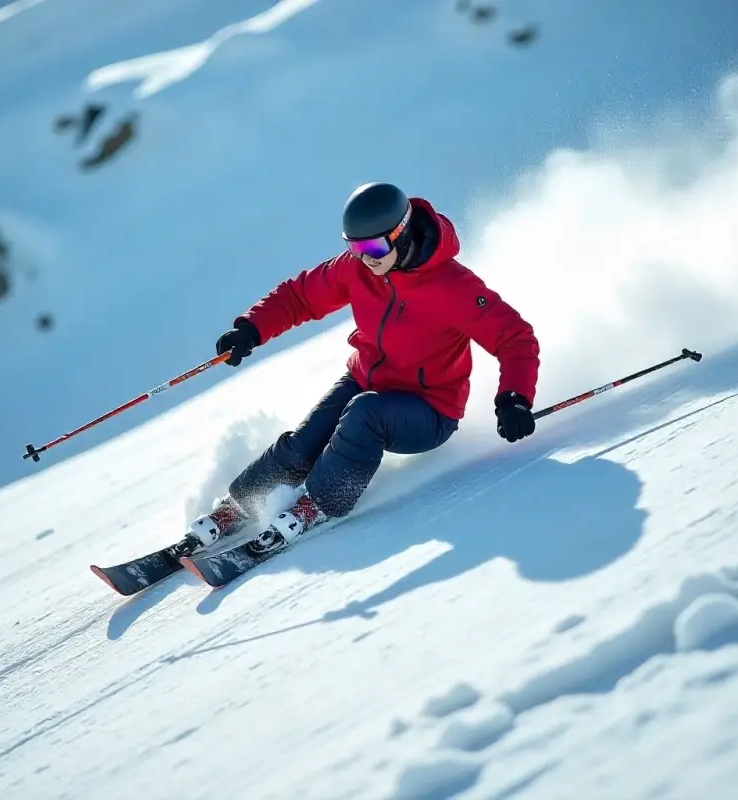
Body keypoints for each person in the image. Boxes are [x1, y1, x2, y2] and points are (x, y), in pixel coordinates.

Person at [187, 182, 540, 556]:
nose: (366, 258)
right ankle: (239, 506)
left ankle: (319, 502)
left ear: (401, 234)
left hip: (429, 409)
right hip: (364, 379)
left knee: (364, 414)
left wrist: (515, 398)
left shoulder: (453, 286)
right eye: (355, 247)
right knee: (305, 441)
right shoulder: (357, 269)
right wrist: (251, 329)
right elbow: (300, 297)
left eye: (374, 247)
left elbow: (515, 338)